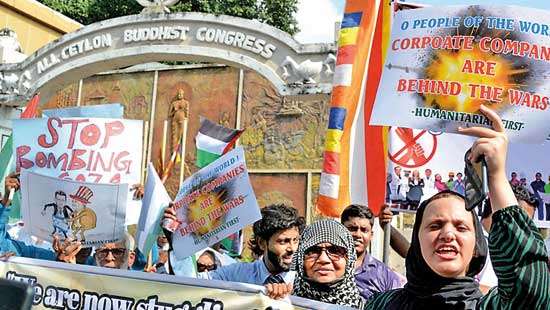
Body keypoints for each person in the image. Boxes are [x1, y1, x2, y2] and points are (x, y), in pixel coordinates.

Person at [364, 105, 549, 309]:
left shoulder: (486, 307)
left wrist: (496, 176)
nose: (448, 234)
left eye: (461, 227)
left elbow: (531, 289)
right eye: (435, 225)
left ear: (476, 247)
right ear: (417, 240)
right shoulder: (382, 304)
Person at [164, 203, 304, 285]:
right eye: (283, 241)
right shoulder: (237, 274)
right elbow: (192, 284)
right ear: (262, 243)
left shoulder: (305, 281)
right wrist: (177, 238)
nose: (292, 248)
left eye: (295, 240)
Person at [267, 219, 364, 308]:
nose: (323, 259)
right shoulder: (285, 303)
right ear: (301, 260)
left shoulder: (365, 307)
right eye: (313, 251)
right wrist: (272, 300)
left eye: (335, 250)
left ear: (349, 260)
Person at [340, 204, 404, 299]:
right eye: (352, 229)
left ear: (371, 235)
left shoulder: (384, 275)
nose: (358, 234)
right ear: (340, 230)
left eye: (364, 230)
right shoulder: (327, 267)